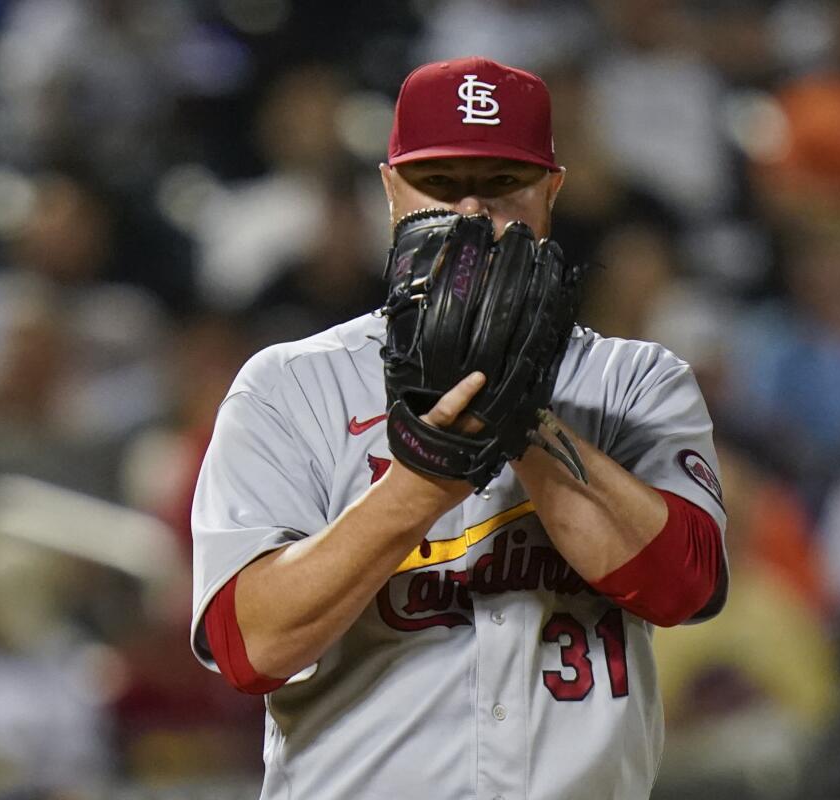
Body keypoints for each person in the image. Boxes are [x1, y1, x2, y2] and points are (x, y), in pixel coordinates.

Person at [191, 56, 728, 800]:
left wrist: (523, 422)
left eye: (503, 183)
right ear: (389, 191)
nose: (472, 214)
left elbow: (685, 588)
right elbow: (247, 647)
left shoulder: (632, 382)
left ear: (552, 191)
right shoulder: (289, 388)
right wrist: (415, 489)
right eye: (439, 185)